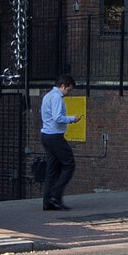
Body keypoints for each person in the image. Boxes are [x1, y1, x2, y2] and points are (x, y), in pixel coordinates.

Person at [40, 73, 80, 210]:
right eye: (68, 89)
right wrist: (72, 119)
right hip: (55, 136)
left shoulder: (47, 96)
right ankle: (55, 196)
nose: (68, 93)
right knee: (69, 164)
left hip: (46, 134)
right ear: (62, 86)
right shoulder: (57, 97)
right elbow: (57, 117)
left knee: (52, 168)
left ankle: (47, 201)